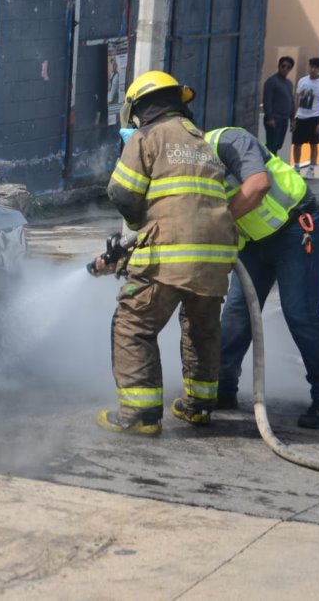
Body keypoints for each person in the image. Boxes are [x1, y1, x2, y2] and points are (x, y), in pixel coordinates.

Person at [93, 71, 238, 436]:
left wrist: (140, 224)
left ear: (140, 108)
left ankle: (140, 415)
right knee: (202, 329)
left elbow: (122, 194)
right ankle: (199, 407)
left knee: (133, 325)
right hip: (217, 257)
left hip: (171, 255)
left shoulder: (148, 137)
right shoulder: (202, 142)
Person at [206, 126, 319, 428]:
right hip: (253, 244)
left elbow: (258, 185)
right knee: (236, 315)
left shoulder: (228, 140)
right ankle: (222, 390)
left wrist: (218, 224)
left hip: (295, 229)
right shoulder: (180, 164)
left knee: (301, 314)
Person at [292, 57, 319, 179]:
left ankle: (311, 169)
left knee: (313, 144)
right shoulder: (302, 81)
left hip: (314, 117)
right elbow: (297, 99)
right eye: (311, 66)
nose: (313, 69)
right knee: (297, 143)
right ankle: (297, 167)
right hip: (301, 116)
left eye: (315, 67)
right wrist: (293, 118)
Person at [262, 56, 294, 155]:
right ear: (279, 66)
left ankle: (271, 166)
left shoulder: (289, 83)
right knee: (272, 145)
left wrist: (293, 119)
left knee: (278, 145)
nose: (285, 69)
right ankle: (267, 167)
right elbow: (267, 100)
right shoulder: (271, 82)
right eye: (283, 66)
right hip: (275, 118)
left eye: (288, 67)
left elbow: (291, 101)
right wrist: (270, 118)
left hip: (284, 119)